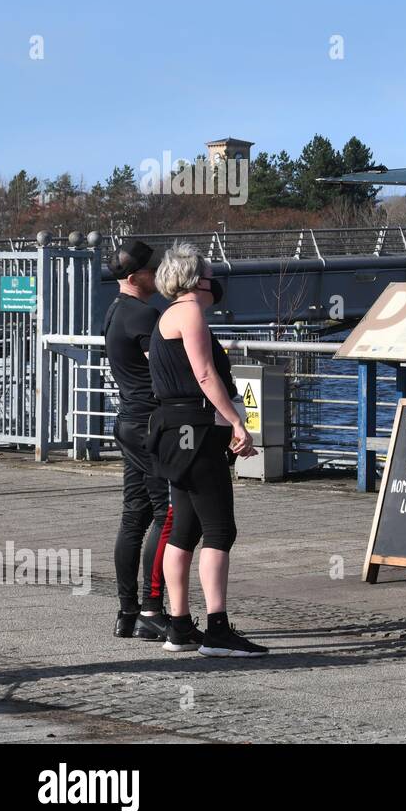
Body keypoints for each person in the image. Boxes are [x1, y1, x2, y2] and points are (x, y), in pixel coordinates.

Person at [146, 242, 267, 657]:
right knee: (219, 529)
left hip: (173, 433)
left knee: (185, 529)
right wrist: (236, 422)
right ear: (196, 279)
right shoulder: (191, 313)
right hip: (195, 434)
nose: (216, 281)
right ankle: (217, 629)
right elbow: (204, 374)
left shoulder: (166, 317)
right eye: (211, 273)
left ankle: (178, 626)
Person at [104, 240, 174, 641]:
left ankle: (126, 613)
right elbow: (162, 368)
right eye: (153, 270)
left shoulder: (114, 313)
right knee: (166, 515)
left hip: (128, 422)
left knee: (134, 517)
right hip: (150, 426)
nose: (159, 274)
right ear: (134, 278)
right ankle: (151, 609)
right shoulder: (145, 316)